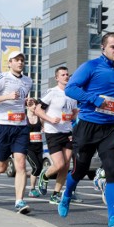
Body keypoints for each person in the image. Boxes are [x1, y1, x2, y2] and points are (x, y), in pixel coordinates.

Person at [59, 32, 114, 227]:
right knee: (80, 170)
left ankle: (112, 218)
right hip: (88, 126)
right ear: (104, 48)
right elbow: (70, 89)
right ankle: (67, 194)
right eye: (113, 47)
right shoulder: (91, 66)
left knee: (112, 171)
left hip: (110, 127)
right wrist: (94, 99)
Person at [0, 51, 33, 214]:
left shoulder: (28, 81)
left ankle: (19, 201)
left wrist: (28, 102)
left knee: (20, 164)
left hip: (20, 126)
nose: (20, 62)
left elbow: (22, 100)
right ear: (9, 63)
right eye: (16, 60)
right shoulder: (3, 78)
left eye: (22, 60)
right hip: (2, 126)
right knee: (2, 166)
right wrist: (6, 96)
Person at [36, 66, 78, 204]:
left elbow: (75, 111)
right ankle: (45, 175)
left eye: (67, 74)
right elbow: (37, 110)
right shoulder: (52, 93)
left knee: (66, 165)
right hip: (53, 132)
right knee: (59, 164)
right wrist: (49, 119)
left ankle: (56, 194)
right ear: (57, 78)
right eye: (63, 75)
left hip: (67, 132)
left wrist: (73, 116)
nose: (66, 76)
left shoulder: (72, 93)